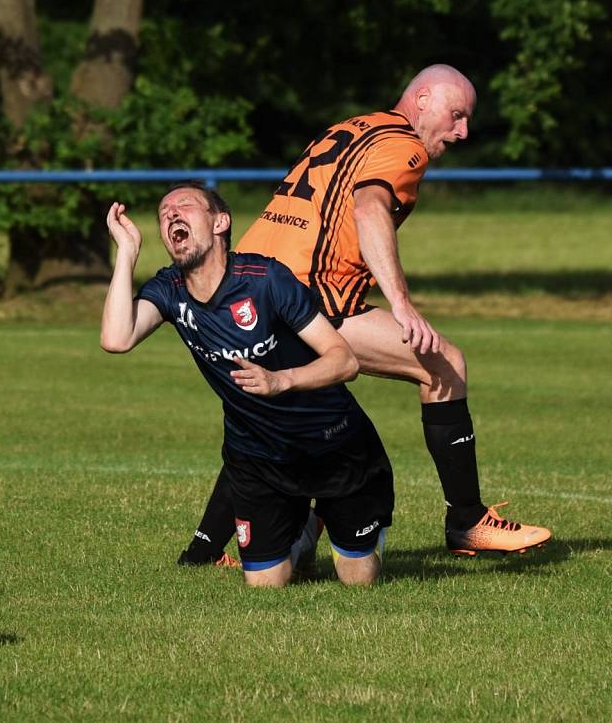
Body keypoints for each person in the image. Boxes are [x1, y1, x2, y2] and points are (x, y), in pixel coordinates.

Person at [179, 64, 551, 565]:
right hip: (306, 297)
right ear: (421, 100)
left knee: (279, 417)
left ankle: (204, 554)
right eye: (456, 114)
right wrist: (401, 304)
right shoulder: (406, 145)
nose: (463, 131)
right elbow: (370, 208)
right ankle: (466, 520)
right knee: (443, 365)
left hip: (245, 290)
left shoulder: (355, 127)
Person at [100, 182, 395, 586]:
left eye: (184, 206)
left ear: (220, 222)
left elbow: (344, 361)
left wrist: (280, 381)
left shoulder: (265, 279)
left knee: (358, 581)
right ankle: (304, 530)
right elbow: (116, 339)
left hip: (333, 444)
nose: (171, 215)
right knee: (265, 587)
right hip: (257, 456)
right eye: (164, 213)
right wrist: (127, 253)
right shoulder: (168, 290)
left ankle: (328, 521)